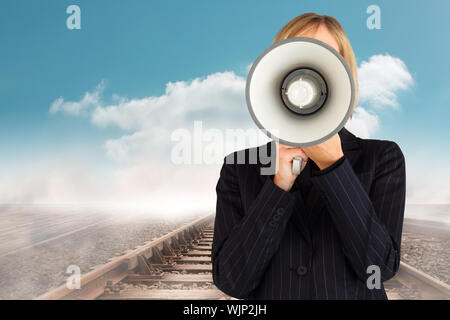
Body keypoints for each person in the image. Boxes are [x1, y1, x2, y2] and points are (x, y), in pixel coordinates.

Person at [211, 13, 406, 300]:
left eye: (326, 56)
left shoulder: (382, 158)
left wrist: (335, 168)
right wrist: (278, 187)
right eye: (299, 51)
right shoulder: (239, 169)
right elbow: (231, 281)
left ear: (344, 76)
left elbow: (378, 268)